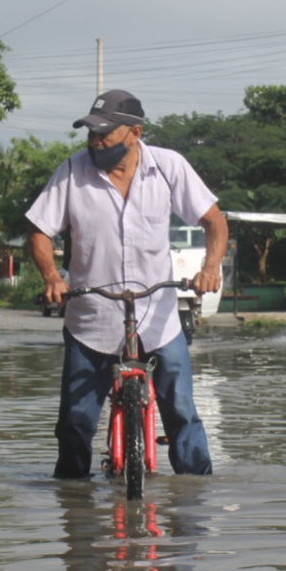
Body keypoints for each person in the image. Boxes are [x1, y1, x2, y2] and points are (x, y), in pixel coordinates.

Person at [25, 89, 228, 479]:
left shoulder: (169, 167)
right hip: (91, 319)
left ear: (134, 133)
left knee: (183, 413)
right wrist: (52, 276)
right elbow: (38, 231)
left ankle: (196, 497)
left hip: (159, 318)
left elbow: (214, 221)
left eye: (105, 134)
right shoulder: (71, 172)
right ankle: (74, 506)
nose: (95, 142)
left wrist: (211, 266)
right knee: (75, 423)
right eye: (91, 134)